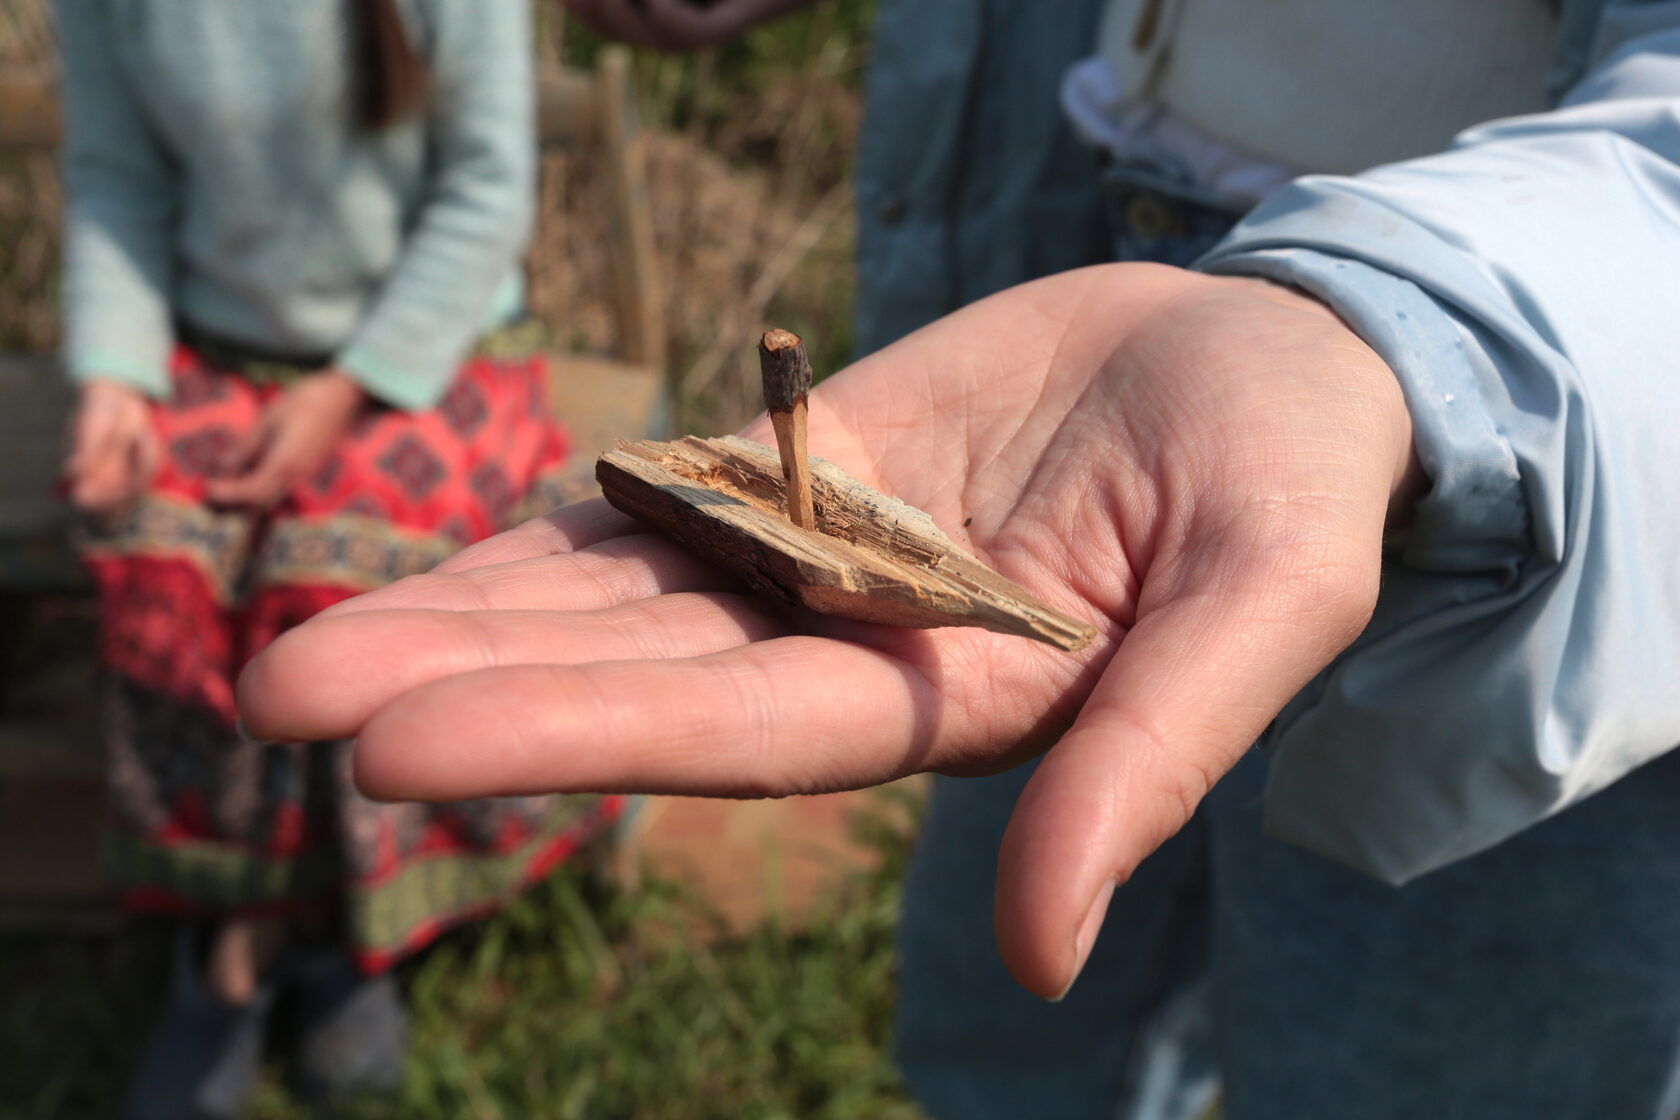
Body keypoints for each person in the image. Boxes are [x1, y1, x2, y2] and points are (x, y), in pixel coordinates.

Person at [243, 0, 1680, 1116]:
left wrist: (1429, 333)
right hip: (1076, 255)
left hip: (1550, 448)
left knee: (1418, 1069)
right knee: (1013, 1032)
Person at [55, 1, 621, 1115]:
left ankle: (288, 945)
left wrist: (350, 385)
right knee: (155, 560)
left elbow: (485, 192)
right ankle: (276, 929)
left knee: (338, 584)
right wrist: (113, 374)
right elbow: (118, 179)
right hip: (217, 343)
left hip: (433, 350)